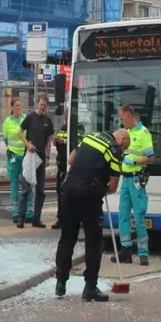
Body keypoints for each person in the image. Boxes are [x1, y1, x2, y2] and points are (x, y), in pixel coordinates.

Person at [54, 129, 130, 302]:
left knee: (67, 238)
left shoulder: (90, 137)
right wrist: (101, 185)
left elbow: (71, 159)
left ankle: (60, 282)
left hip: (68, 192)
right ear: (122, 139)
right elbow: (112, 186)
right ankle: (90, 287)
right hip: (89, 196)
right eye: (125, 146)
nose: (123, 150)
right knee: (94, 241)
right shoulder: (114, 150)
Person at [117, 104, 155, 266]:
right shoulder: (125, 133)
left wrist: (132, 161)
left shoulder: (143, 132)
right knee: (123, 215)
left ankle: (143, 252)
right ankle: (125, 250)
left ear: (129, 115)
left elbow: (151, 157)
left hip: (136, 179)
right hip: (125, 179)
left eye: (122, 117)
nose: (121, 120)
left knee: (139, 216)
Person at [16, 94, 54, 228]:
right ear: (37, 104)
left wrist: (48, 157)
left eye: (45, 105)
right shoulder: (30, 117)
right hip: (30, 157)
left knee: (40, 190)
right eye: (41, 104)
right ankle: (21, 217)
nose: (43, 107)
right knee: (25, 188)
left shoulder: (48, 121)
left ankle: (36, 219)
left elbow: (49, 140)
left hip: (41, 159)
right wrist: (27, 144)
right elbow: (19, 132)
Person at [51, 110, 85, 229]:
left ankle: (77, 219)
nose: (65, 119)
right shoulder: (63, 128)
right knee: (60, 192)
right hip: (61, 164)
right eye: (64, 117)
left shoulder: (79, 127)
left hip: (73, 165)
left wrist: (63, 140)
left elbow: (78, 142)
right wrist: (55, 140)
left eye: (67, 117)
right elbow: (56, 142)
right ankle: (61, 218)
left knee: (75, 193)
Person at [2, 98, 28, 223]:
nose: (18, 107)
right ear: (12, 107)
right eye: (16, 105)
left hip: (24, 155)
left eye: (19, 105)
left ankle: (27, 211)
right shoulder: (7, 122)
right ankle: (15, 212)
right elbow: (5, 139)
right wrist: (11, 150)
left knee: (25, 182)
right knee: (14, 184)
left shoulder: (25, 119)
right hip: (13, 156)